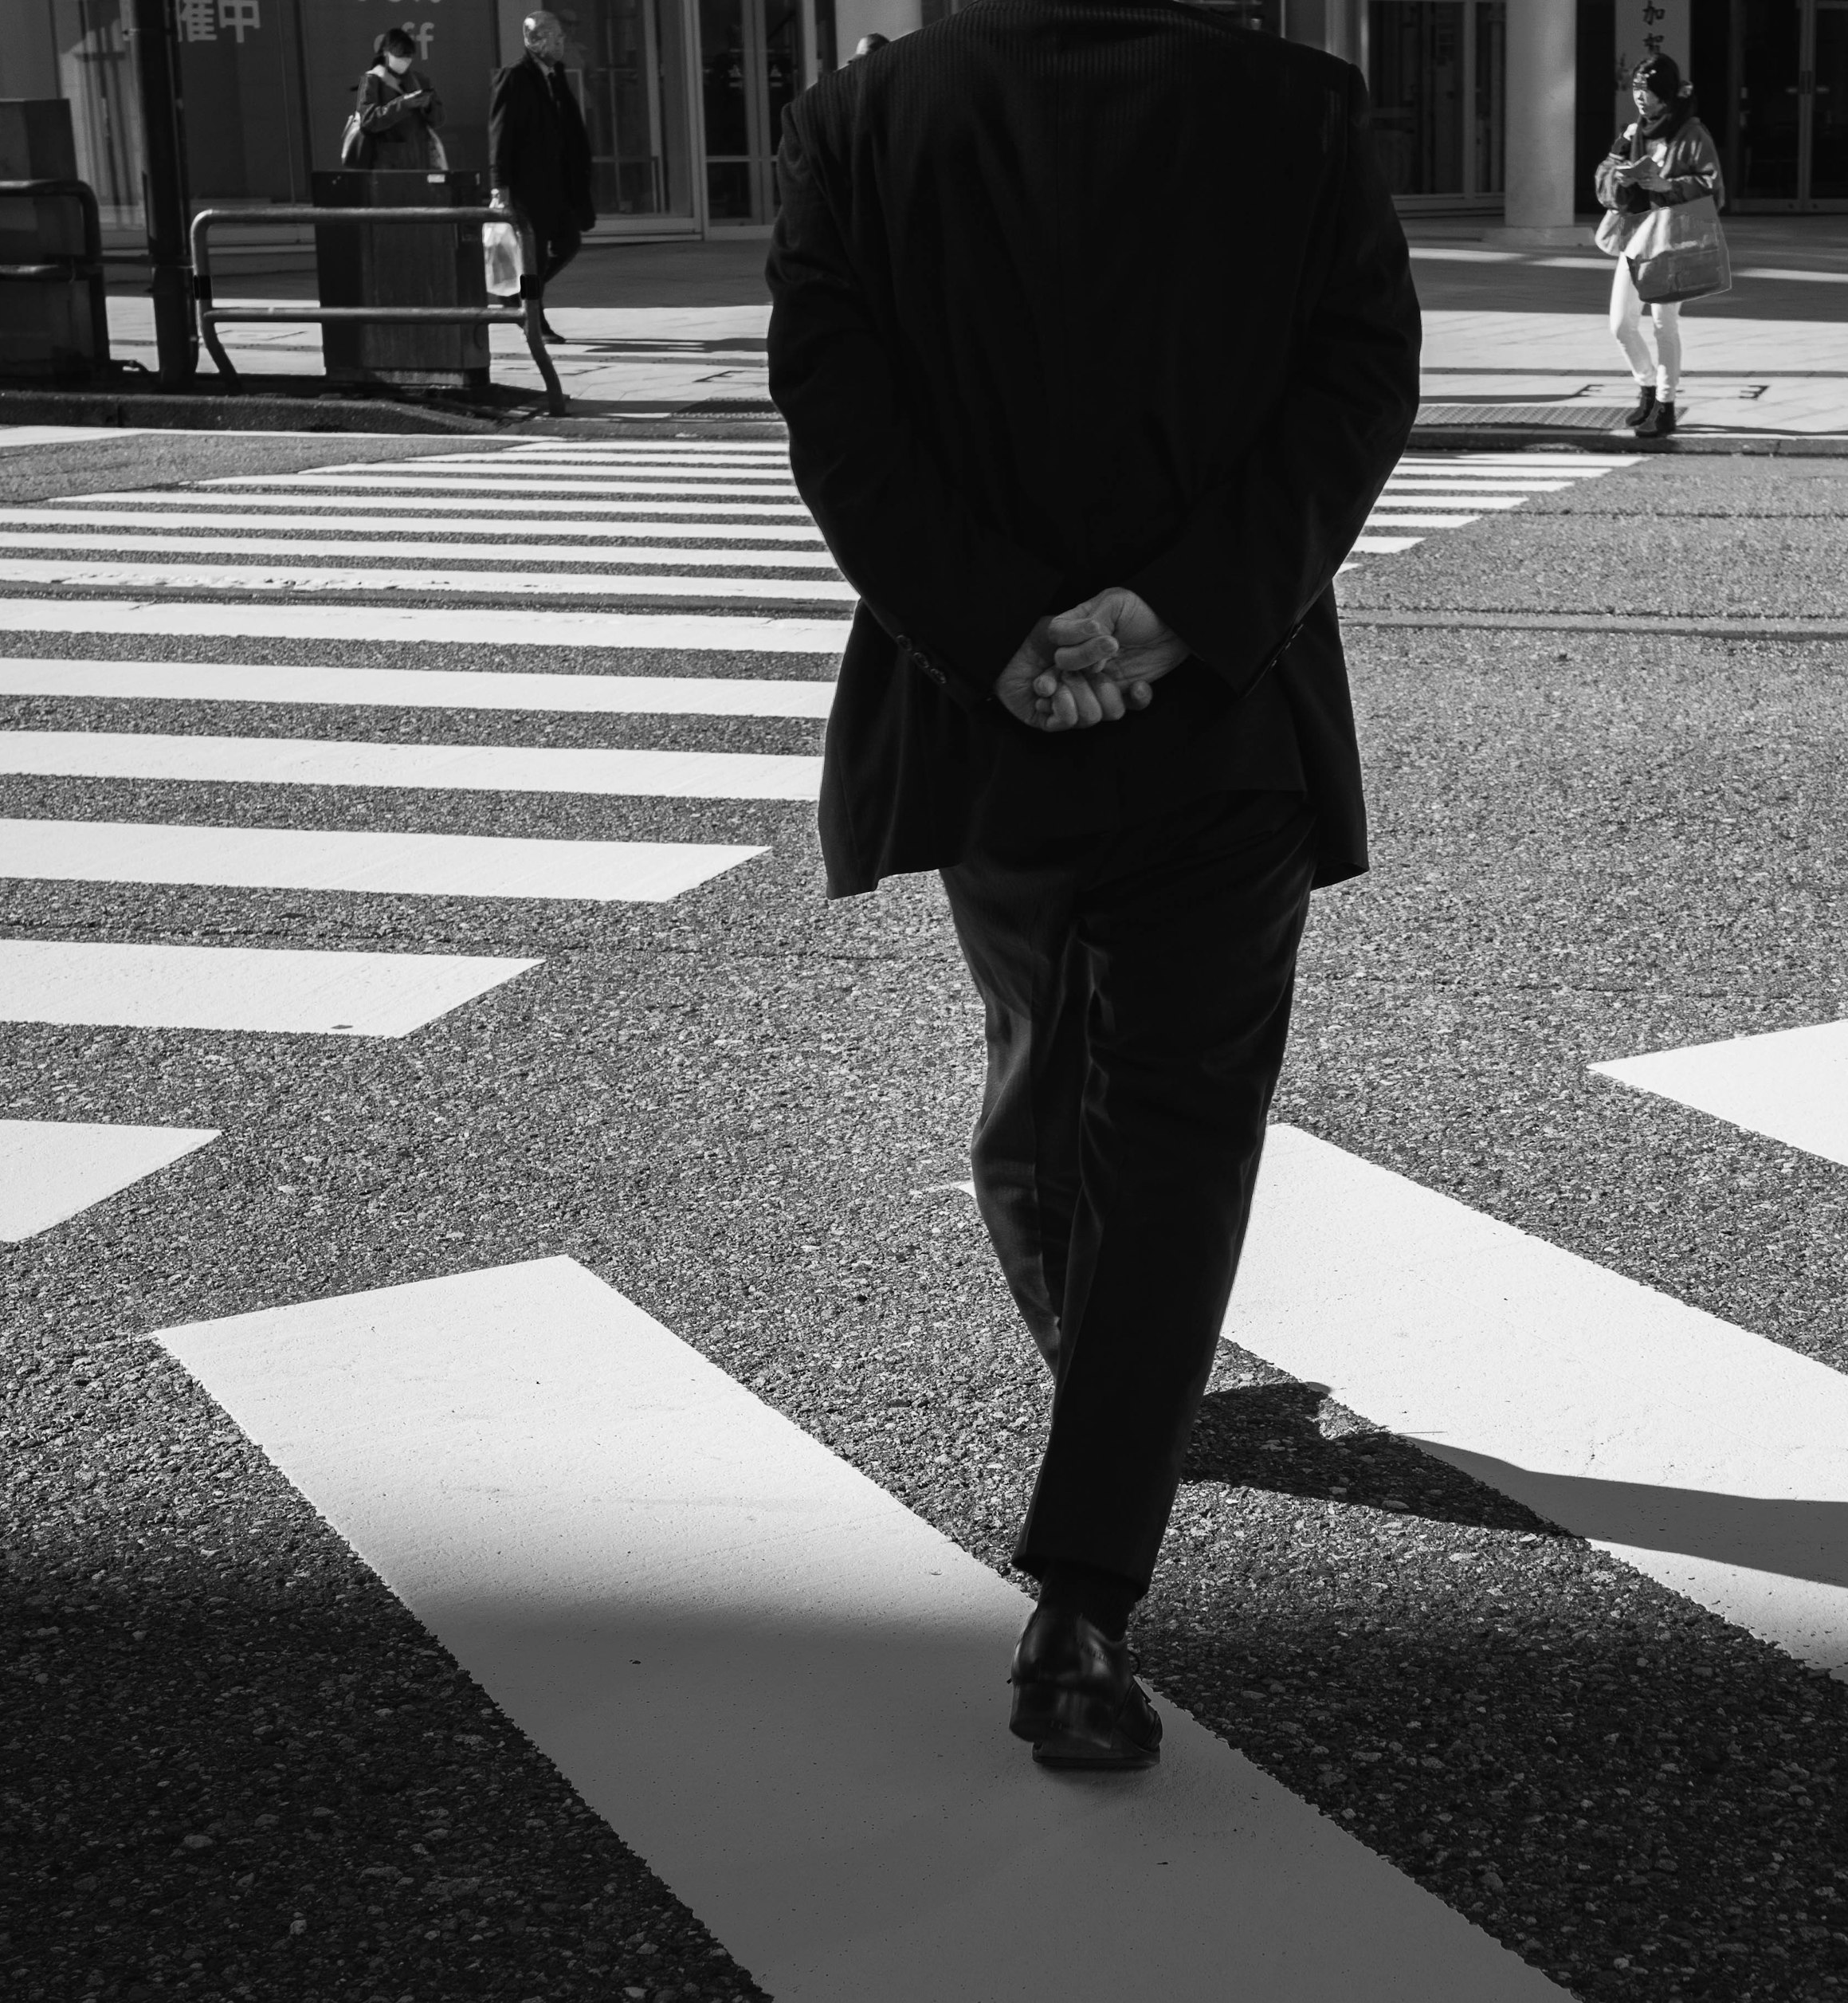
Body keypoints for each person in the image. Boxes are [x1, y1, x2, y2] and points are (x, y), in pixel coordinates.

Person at [767, 0, 1418, 1770]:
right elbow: (1358, 387)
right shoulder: (1298, 109)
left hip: (993, 725)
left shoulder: (865, 121)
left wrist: (1000, 635)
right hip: (1226, 713)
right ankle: (1084, 1597)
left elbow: (839, 415)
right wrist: (1179, 608)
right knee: (1181, 1131)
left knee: (1040, 1072)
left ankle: (1107, 1389)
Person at [1602, 55, 1724, 438]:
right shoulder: (1632, 130)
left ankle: (1666, 406)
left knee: (1663, 325)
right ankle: (1648, 387)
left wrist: (1667, 187)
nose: (1640, 98)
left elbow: (1713, 187)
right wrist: (1620, 178)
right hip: (1634, 234)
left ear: (1665, 94)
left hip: (1673, 238)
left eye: (1648, 91)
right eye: (1637, 90)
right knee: (1621, 324)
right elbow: (1605, 177)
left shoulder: (1692, 133)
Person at [489, 11, 595, 330]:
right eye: (555, 37)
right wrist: (499, 185)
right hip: (528, 187)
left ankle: (521, 298)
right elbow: (500, 134)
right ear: (533, 41)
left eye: (563, 37)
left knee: (568, 243)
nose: (562, 43)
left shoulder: (555, 75)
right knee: (531, 258)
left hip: (558, 186)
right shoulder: (515, 77)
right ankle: (534, 320)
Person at [345, 29, 445, 171]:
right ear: (386, 52)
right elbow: (368, 120)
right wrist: (403, 105)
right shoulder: (372, 80)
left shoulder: (420, 81)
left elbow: (439, 120)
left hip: (421, 163)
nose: (405, 60)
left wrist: (428, 106)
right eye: (400, 55)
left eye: (409, 56)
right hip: (387, 166)